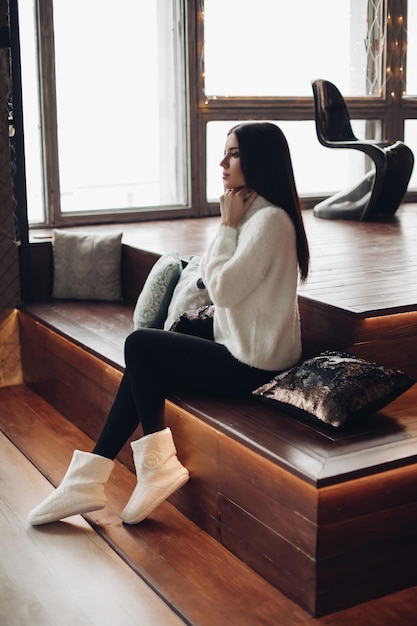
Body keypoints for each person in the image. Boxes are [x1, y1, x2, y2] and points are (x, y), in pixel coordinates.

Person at [28, 121, 309, 527]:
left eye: (233, 153)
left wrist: (227, 226)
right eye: (225, 152)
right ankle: (88, 477)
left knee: (141, 346)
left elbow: (222, 291)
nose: (222, 162)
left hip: (254, 365)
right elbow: (219, 285)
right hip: (240, 343)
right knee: (155, 352)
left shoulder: (269, 221)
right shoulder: (252, 211)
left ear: (260, 161)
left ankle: (129, 471)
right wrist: (229, 223)